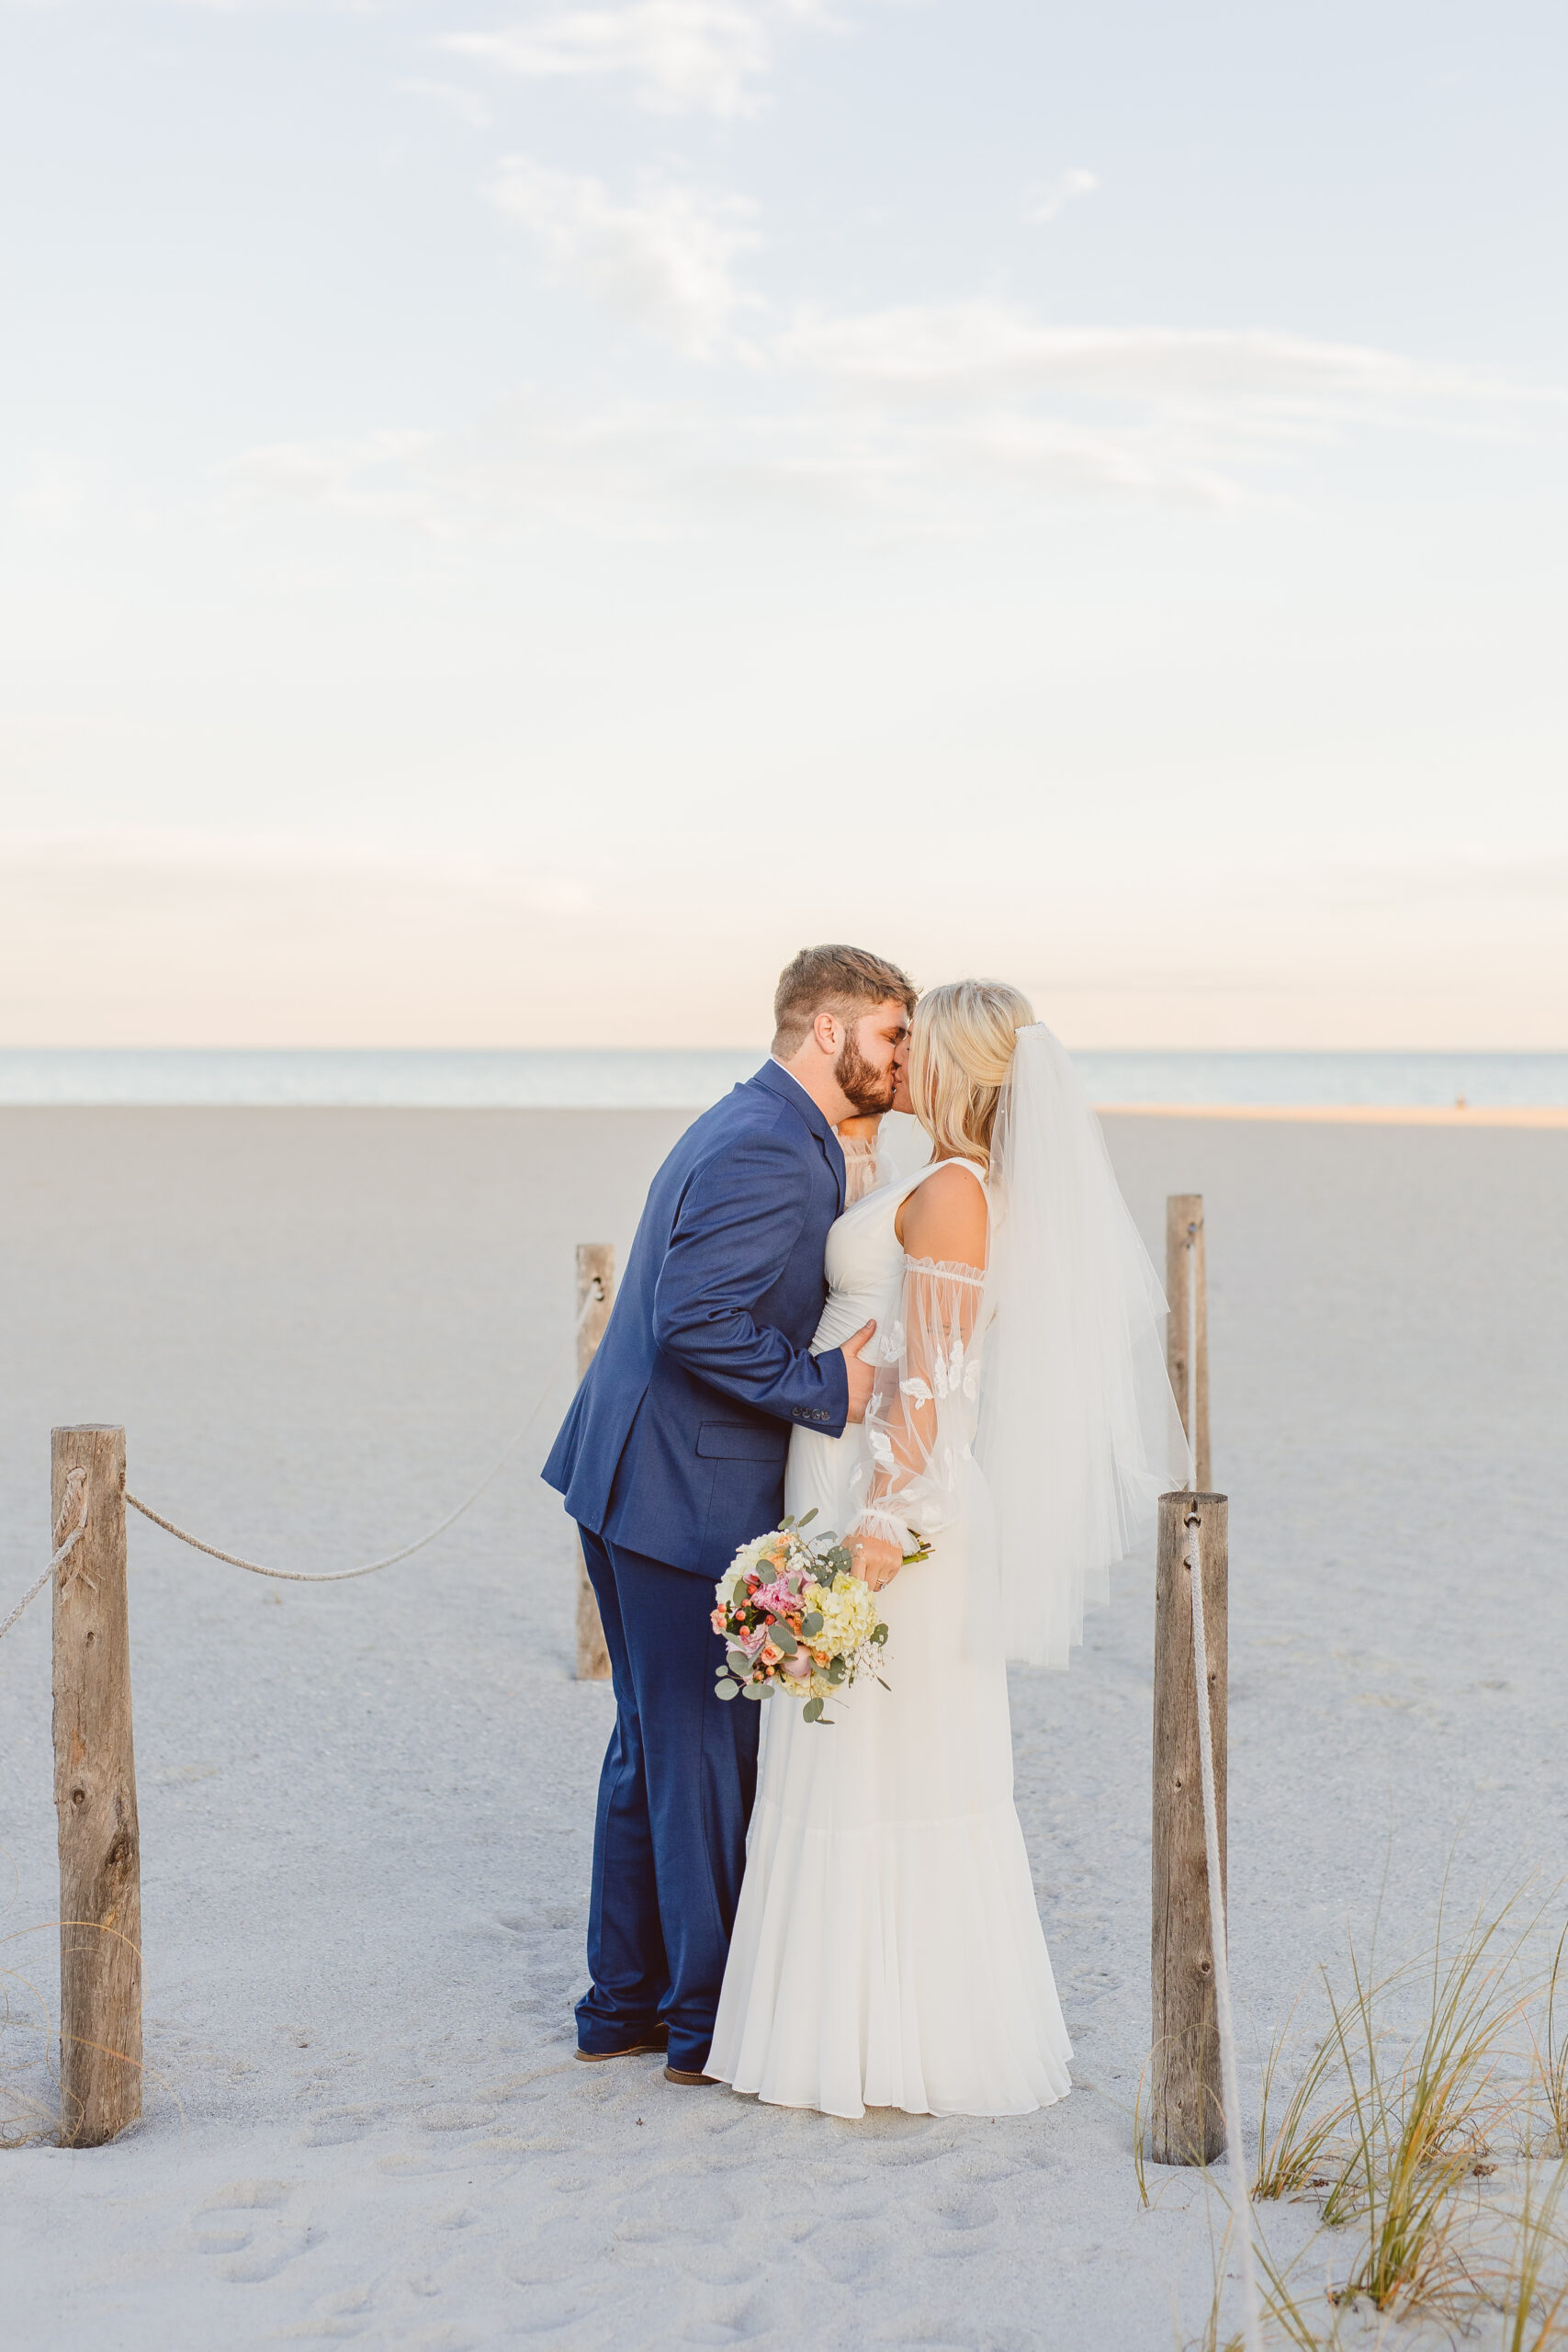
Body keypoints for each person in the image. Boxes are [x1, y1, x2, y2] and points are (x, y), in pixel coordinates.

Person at [707, 979, 1189, 2117]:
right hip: (843, 1479)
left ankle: (890, 2043)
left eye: (919, 1042)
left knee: (890, 1763)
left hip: (890, 1504)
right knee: (850, 1759)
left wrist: (883, 1529)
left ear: (962, 1066)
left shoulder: (960, 1192)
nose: (901, 1052)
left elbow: (937, 1375)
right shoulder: (939, 1177)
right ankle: (851, 2031)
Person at [542, 944, 917, 2085]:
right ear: (828, 1031)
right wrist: (828, 1389)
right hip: (677, 1492)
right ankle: (700, 2025)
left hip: (634, 1477)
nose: (905, 1057)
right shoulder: (766, 1145)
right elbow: (698, 1317)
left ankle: (623, 2004)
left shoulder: (775, 1129)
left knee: (652, 1754)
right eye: (892, 1035)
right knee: (700, 1758)